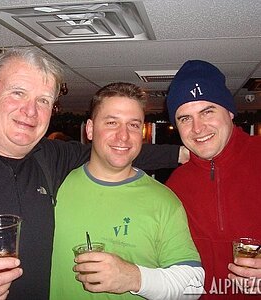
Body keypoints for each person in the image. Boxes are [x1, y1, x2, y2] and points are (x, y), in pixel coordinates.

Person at [0, 48, 188, 300]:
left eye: (44, 100)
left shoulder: (50, 158)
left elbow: (115, 150)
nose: (30, 111)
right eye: (18, 93)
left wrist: (188, 153)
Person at [50, 82, 204, 300]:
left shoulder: (164, 200)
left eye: (133, 125)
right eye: (112, 122)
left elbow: (194, 284)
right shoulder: (56, 186)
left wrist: (134, 278)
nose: (123, 136)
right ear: (91, 129)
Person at [165, 60, 261, 299]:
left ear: (229, 112)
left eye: (207, 111)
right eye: (185, 118)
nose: (198, 128)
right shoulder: (174, 186)